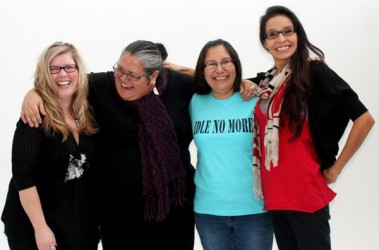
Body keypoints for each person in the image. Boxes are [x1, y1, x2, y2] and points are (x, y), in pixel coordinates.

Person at [250, 5, 375, 250]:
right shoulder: (267, 83)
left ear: (299, 34)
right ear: (264, 42)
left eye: (288, 31)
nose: (282, 39)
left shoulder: (314, 72)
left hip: (307, 194)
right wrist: (185, 70)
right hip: (275, 195)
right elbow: (228, 80)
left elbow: (364, 119)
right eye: (272, 34)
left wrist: (336, 169)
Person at [1, 42, 100, 250]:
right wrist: (41, 228)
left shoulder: (87, 110)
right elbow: (23, 178)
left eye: (68, 67)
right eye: (53, 69)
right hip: (36, 222)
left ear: (79, 71)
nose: (62, 74)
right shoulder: (35, 117)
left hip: (74, 220)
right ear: (44, 74)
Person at [190, 38, 273, 250]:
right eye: (211, 63)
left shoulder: (256, 100)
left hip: (254, 209)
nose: (219, 69)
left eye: (226, 62)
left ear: (236, 65)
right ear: (202, 69)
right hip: (209, 211)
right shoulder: (194, 102)